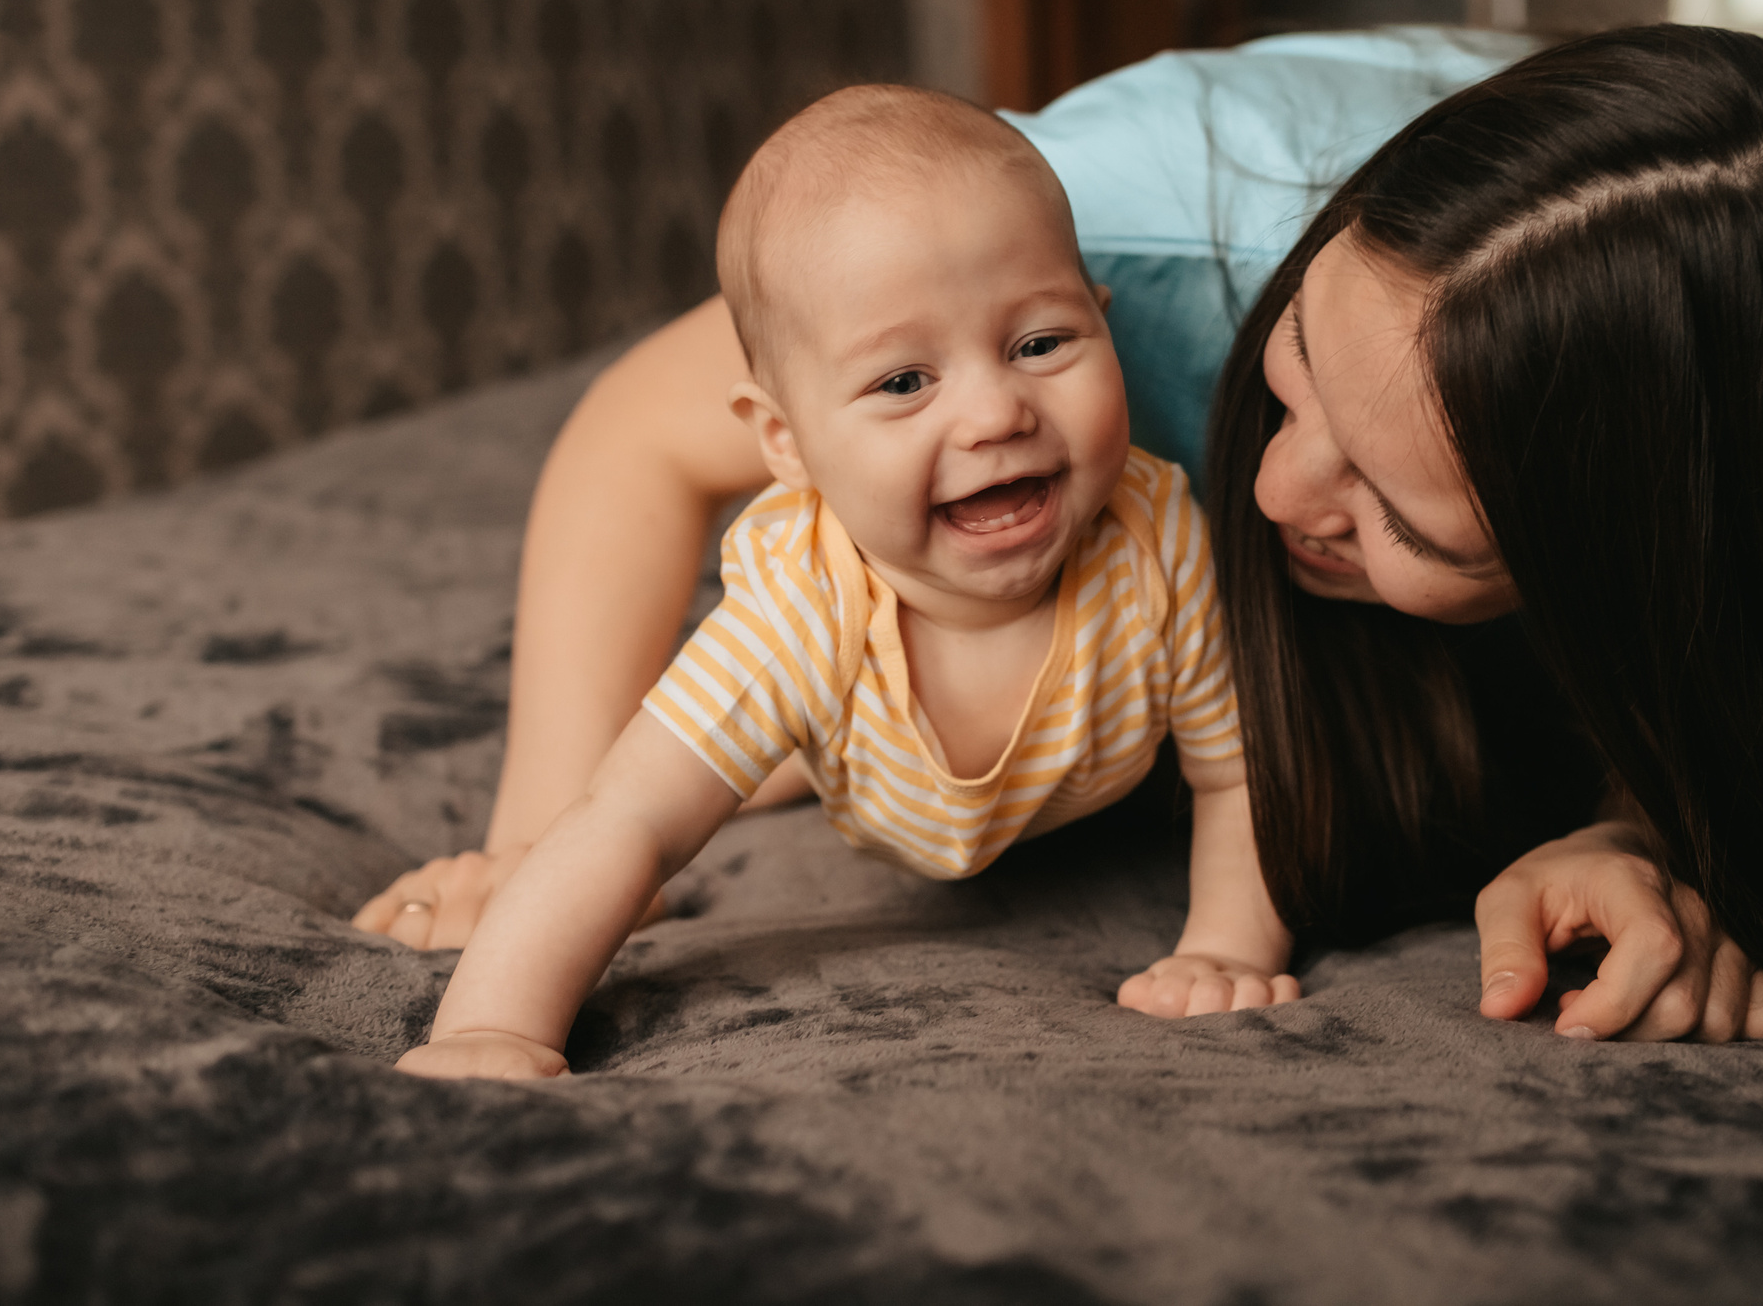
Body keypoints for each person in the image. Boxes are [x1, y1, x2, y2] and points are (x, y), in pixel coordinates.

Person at [359, 23, 1763, 1045]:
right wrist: (538, 847)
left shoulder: (1751, 510)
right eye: (1288, 391)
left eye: (1397, 515)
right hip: (1329, 144)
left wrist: (1649, 832)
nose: (1278, 501)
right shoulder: (1110, 247)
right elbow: (632, 441)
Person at [393, 86, 1296, 1080]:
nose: (996, 412)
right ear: (785, 441)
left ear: (1103, 324)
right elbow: (625, 824)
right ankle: (756, 755)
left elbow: (1236, 769)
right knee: (700, 763)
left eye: (1040, 344)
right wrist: (493, 1026)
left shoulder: (1157, 538)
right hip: (863, 748)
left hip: (1091, 765)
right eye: (904, 382)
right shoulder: (798, 610)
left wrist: (1224, 947)